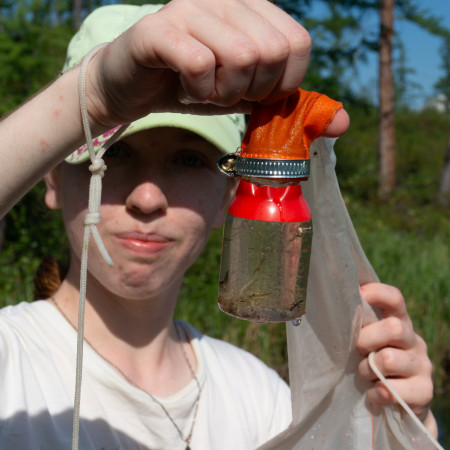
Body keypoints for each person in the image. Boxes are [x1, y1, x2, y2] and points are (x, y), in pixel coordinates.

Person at [0, 1, 437, 449]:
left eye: (188, 160)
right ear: (50, 177)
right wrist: (92, 98)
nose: (147, 199)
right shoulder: (10, 363)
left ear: (230, 194)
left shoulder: (261, 397)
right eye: (112, 156)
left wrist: (392, 428)